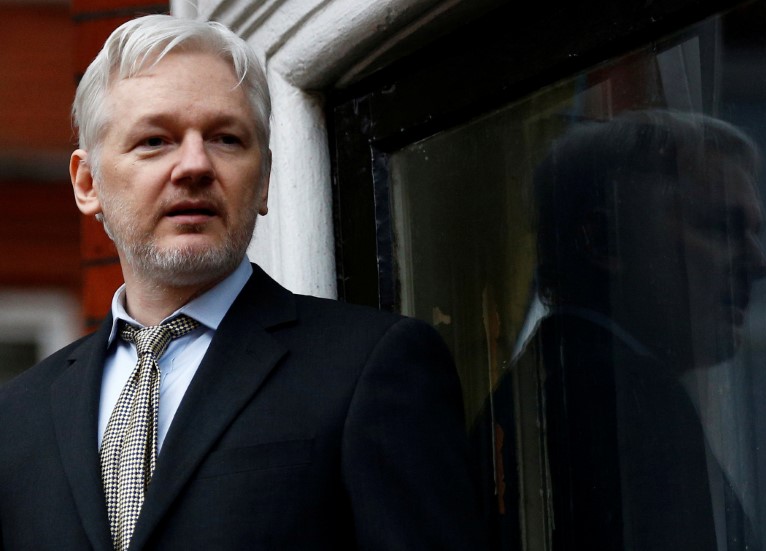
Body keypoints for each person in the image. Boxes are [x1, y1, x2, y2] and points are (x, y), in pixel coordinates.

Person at [0, 15, 484, 550]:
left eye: (226, 139)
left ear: (264, 180)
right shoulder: (17, 417)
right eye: (155, 140)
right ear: (87, 183)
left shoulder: (370, 366)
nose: (194, 165)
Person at [485, 110, 766, 550]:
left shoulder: (548, 386)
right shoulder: (621, 400)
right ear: (604, 239)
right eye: (720, 227)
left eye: (754, 234)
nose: (759, 264)